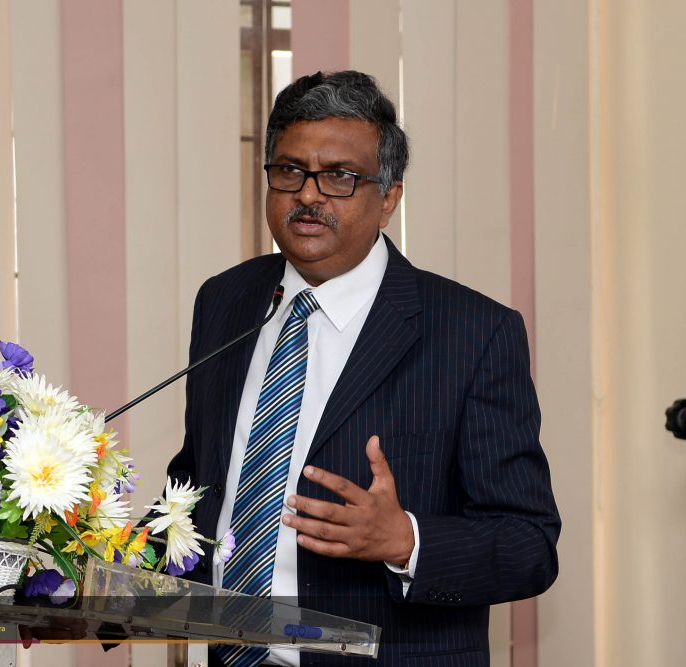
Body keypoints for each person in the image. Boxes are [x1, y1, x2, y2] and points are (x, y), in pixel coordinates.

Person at [164, 70, 560, 666]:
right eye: (290, 170)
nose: (308, 195)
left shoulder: (474, 333)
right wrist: (81, 548)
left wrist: (406, 541)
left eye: (340, 176)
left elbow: (529, 543)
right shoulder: (225, 301)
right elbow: (200, 484)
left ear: (389, 197)